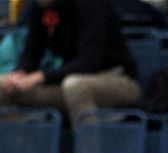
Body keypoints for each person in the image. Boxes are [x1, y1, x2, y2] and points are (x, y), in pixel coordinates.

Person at [0, 0, 141, 129]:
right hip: (66, 81)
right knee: (4, 86)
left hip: (117, 79)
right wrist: (20, 73)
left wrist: (40, 77)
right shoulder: (39, 7)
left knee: (76, 86)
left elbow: (88, 62)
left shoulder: (92, 5)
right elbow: (32, 53)